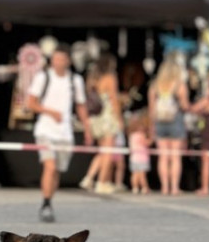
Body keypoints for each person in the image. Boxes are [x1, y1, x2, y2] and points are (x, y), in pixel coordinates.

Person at [25, 44, 91, 222]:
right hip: (45, 129)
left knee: (57, 171)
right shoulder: (43, 77)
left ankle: (49, 200)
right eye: (55, 58)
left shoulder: (75, 81)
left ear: (68, 61)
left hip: (65, 132)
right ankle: (46, 203)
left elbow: (81, 105)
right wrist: (50, 112)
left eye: (61, 59)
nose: (57, 62)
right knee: (50, 166)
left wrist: (87, 128)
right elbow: (31, 102)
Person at [148, 60, 189, 195]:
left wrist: (151, 127)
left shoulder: (155, 86)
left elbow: (151, 109)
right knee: (175, 157)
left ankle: (165, 187)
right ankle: (174, 187)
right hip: (175, 121)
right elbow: (184, 106)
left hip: (160, 122)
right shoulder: (179, 85)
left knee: (163, 157)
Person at [87, 53, 123, 194]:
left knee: (102, 151)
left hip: (96, 118)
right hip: (108, 117)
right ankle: (101, 182)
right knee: (108, 152)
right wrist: (119, 118)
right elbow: (114, 99)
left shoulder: (92, 79)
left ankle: (94, 179)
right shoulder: (110, 78)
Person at [127, 111, 152, 194]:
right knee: (142, 174)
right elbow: (147, 143)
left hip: (134, 157)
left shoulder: (131, 136)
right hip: (141, 158)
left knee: (134, 174)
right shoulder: (141, 135)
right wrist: (151, 139)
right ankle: (144, 187)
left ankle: (135, 187)